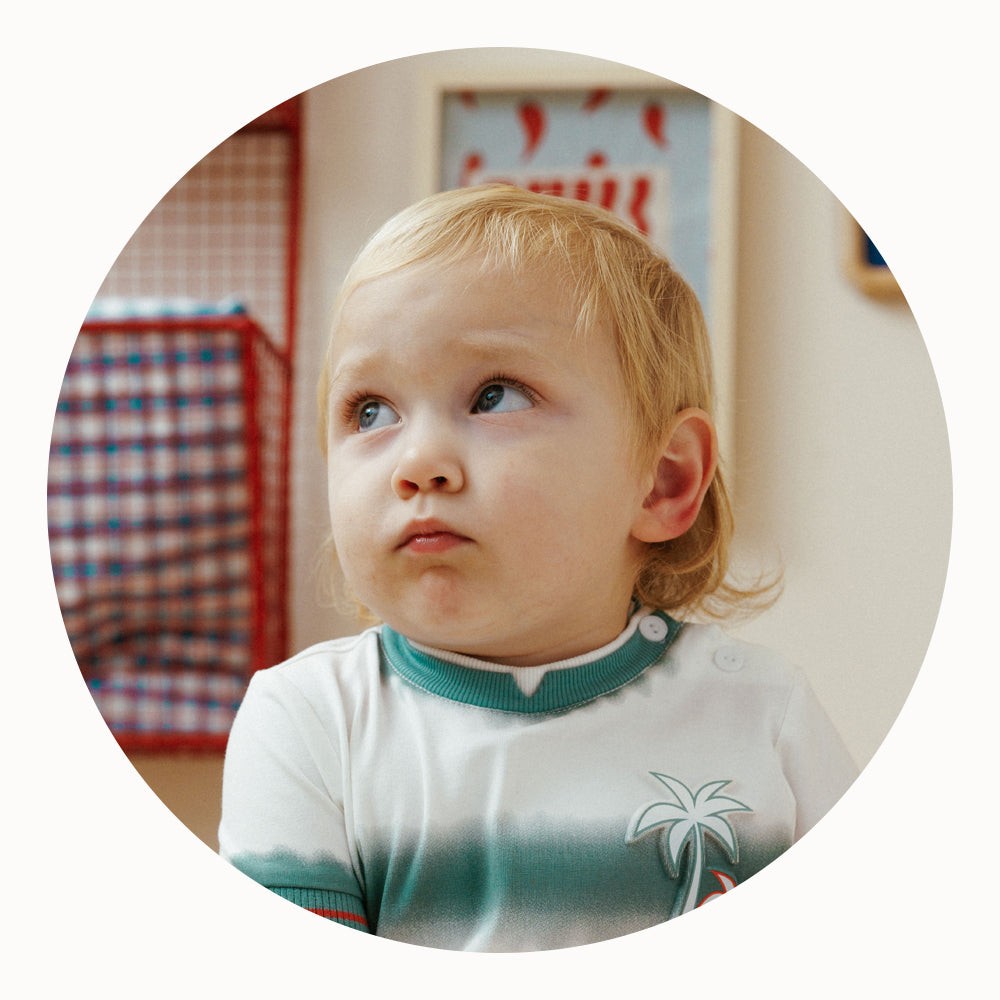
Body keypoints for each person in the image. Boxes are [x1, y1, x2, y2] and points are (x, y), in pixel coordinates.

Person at [218, 184, 857, 951]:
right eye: (371, 411)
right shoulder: (309, 722)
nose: (417, 462)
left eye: (495, 396)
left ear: (662, 481)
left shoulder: (765, 714)